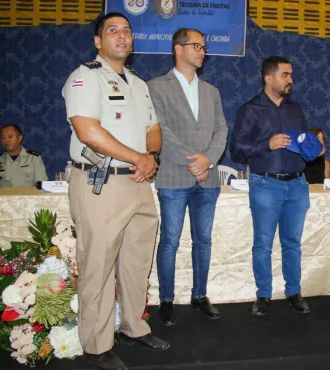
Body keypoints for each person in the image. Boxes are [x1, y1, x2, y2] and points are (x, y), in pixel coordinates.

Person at [62, 12, 168, 370]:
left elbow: (153, 129)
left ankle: (134, 327)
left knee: (137, 262)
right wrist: (139, 157)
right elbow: (88, 131)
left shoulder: (139, 83)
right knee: (99, 265)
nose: (122, 36)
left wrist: (150, 156)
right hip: (101, 183)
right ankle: (96, 345)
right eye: (113, 31)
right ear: (98, 40)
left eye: (127, 31)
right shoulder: (84, 78)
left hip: (139, 181)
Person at [147, 28, 228, 326]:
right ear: (178, 49)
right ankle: (166, 300)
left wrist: (209, 158)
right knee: (169, 241)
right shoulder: (155, 87)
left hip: (207, 178)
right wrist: (193, 160)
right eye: (197, 46)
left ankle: (199, 296)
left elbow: (222, 129)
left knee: (203, 241)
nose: (202, 51)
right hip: (172, 175)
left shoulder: (212, 91)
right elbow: (159, 130)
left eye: (204, 47)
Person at [230, 56, 322, 316]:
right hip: (265, 184)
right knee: (263, 243)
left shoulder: (296, 109)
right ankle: (263, 295)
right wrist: (265, 145)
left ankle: (293, 291)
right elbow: (235, 149)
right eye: (284, 75)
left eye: (291, 75)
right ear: (268, 78)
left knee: (292, 243)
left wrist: (314, 146)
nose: (290, 80)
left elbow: (304, 142)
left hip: (297, 185)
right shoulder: (249, 110)